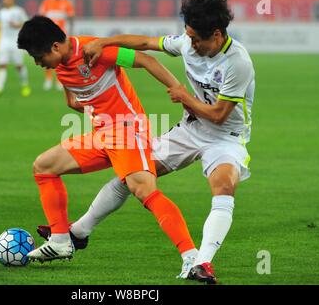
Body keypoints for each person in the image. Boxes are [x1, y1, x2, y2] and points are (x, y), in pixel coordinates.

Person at [37, 0, 255, 284]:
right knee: (134, 177)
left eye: (194, 38)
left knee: (223, 186)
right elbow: (144, 44)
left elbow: (218, 115)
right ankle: (78, 233)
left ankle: (201, 262)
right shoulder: (187, 44)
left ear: (216, 35)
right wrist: (104, 42)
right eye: (187, 34)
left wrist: (184, 96)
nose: (188, 43)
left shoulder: (237, 62)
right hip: (189, 131)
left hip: (225, 137)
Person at [17, 16, 199, 276]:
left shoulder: (96, 50)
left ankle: (192, 258)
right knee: (44, 166)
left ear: (55, 47)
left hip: (128, 131)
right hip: (102, 135)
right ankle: (60, 241)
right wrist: (79, 104)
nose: (37, 63)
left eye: (38, 57)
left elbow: (147, 60)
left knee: (143, 189)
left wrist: (181, 94)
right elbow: (74, 98)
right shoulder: (59, 67)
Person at [0, 0, 31, 97]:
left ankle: (25, 85)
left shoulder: (19, 11)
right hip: (3, 42)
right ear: (2, 0)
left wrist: (17, 25)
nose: (7, 0)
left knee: (19, 66)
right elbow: (3, 25)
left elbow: (26, 24)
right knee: (1, 65)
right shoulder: (1, 12)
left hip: (16, 42)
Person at [38, 0, 74, 91]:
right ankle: (48, 80)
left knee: (61, 58)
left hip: (61, 35)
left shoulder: (67, 3)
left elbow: (71, 18)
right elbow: (41, 18)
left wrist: (71, 31)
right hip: (48, 34)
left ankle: (60, 81)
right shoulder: (46, 2)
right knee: (47, 56)